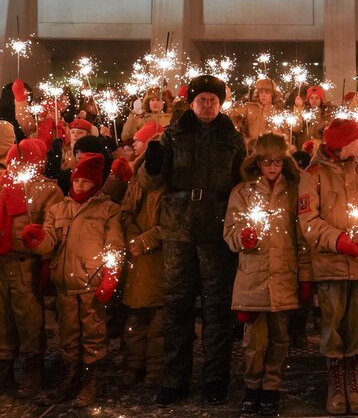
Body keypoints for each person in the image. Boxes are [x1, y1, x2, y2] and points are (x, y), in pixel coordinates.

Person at [138, 74, 246, 407]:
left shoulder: (233, 138)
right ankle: (176, 378)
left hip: (216, 229)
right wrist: (152, 163)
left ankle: (216, 377)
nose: (208, 104)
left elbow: (243, 180)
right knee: (178, 306)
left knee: (216, 308)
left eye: (213, 100)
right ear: (191, 102)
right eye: (202, 99)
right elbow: (150, 183)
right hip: (178, 229)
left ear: (221, 103)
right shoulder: (171, 136)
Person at [298, 117, 358, 415]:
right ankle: (336, 380)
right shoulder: (314, 174)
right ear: (339, 144)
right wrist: (337, 240)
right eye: (354, 141)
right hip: (331, 264)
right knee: (333, 323)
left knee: (357, 323)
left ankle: (352, 378)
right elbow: (308, 221)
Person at [23, 153, 124, 407]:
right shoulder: (58, 209)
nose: (78, 185)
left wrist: (111, 275)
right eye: (76, 180)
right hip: (65, 283)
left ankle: (92, 378)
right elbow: (49, 242)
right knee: (68, 334)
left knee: (93, 332)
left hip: (91, 282)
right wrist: (36, 240)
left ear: (96, 184)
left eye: (85, 181)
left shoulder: (108, 210)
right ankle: (70, 376)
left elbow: (115, 245)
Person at [224, 133, 309, 415]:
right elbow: (230, 230)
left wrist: (304, 274)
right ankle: (253, 385)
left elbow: (301, 236)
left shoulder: (294, 191)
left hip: (284, 274)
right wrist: (242, 238)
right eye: (266, 162)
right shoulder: (243, 192)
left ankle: (272, 385)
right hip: (253, 276)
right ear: (257, 162)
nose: (272, 167)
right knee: (254, 339)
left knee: (280, 335)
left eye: (277, 162)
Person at [0, 139, 63, 398]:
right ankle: (4, 371)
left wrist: (37, 240)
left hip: (25, 263)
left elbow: (52, 228)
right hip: (1, 261)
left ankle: (32, 371)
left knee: (28, 318)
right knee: (1, 318)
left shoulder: (47, 191)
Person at [118, 122, 166, 388]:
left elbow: (170, 222)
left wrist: (145, 240)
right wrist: (132, 238)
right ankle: (134, 364)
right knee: (135, 317)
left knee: (159, 319)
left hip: (158, 258)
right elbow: (125, 211)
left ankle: (155, 368)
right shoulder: (135, 180)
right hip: (136, 257)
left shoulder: (169, 185)